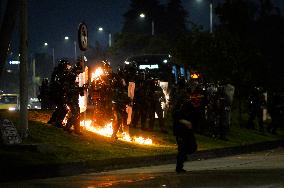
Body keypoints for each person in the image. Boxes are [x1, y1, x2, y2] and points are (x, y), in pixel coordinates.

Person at [172, 88, 198, 173]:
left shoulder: (192, 108)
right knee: (182, 150)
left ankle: (183, 156)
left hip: (187, 132)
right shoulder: (182, 108)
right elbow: (176, 116)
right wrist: (184, 121)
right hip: (180, 132)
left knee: (192, 147)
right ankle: (179, 167)